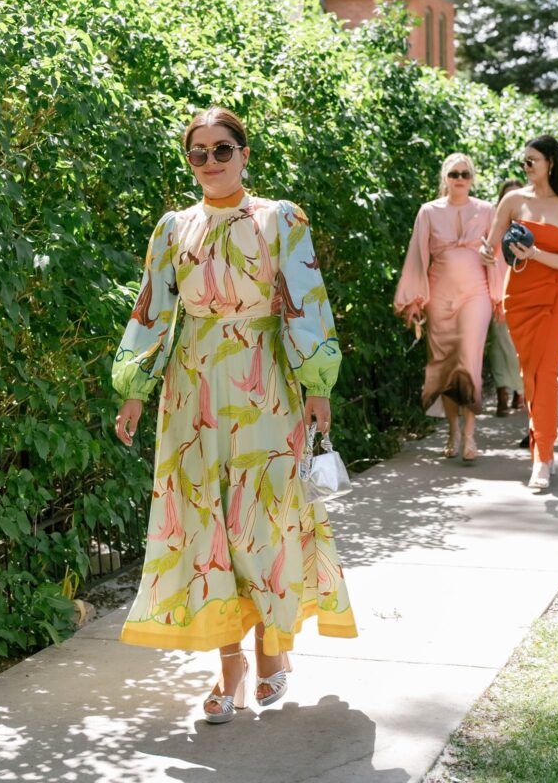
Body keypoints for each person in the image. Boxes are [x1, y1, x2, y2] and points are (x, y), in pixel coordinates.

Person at [113, 107, 357, 725]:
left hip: (265, 386)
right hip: (191, 391)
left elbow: (305, 303)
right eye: (198, 153)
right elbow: (152, 310)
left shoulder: (280, 219)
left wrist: (317, 384)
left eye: (222, 150)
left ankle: (273, 654)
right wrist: (135, 388)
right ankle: (230, 669)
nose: (210, 163)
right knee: (206, 525)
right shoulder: (173, 228)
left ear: (244, 154)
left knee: (264, 518)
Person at [480, 136, 558, 490]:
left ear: (551, 162)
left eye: (532, 160)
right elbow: (491, 244)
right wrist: (485, 252)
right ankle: (542, 447)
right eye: (523, 161)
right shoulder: (513, 200)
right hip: (520, 295)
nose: (526, 166)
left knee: (545, 370)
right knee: (530, 374)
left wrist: (535, 253)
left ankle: (543, 455)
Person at [395, 153, 502, 463]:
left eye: (465, 174)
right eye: (454, 173)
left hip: (476, 295)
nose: (459, 179)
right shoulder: (428, 211)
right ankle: (452, 430)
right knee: (444, 364)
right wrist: (415, 299)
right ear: (445, 177)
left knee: (469, 361)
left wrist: (498, 296)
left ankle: (469, 434)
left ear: (472, 178)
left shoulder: (486, 210)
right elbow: (417, 256)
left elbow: (496, 254)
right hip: (440, 295)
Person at [488, 179, 525, 417]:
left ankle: (519, 391)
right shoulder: (493, 227)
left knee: (516, 346)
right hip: (496, 293)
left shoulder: (529, 228)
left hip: (523, 295)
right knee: (498, 345)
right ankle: (502, 391)